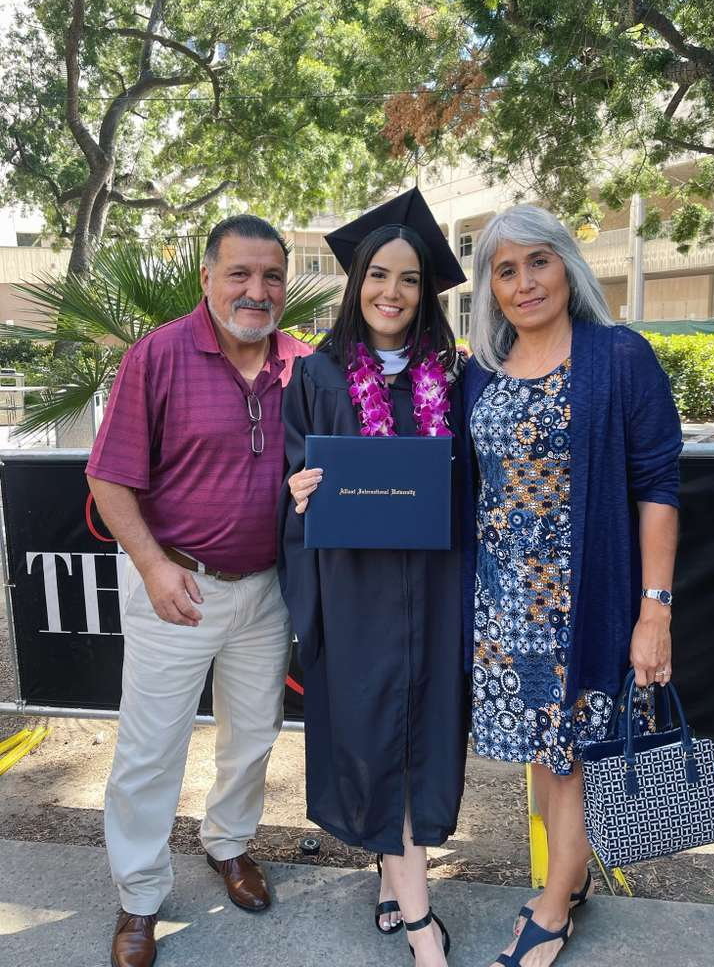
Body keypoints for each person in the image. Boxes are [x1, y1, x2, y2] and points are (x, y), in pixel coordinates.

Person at [86, 214, 311, 967]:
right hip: (176, 585)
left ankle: (229, 845)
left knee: (251, 739)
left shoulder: (305, 366)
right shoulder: (159, 356)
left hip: (267, 589)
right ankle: (140, 896)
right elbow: (108, 478)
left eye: (272, 276)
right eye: (240, 274)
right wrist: (152, 566)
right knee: (151, 753)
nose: (257, 290)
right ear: (208, 278)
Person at [462, 205, 682, 967]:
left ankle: (553, 907)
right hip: (505, 606)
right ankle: (569, 875)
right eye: (505, 270)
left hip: (586, 598)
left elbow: (657, 484)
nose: (524, 284)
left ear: (567, 266)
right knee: (545, 753)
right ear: (491, 288)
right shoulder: (480, 373)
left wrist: (655, 611)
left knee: (581, 750)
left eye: (537, 263)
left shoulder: (617, 356)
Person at [279, 189, 468, 967]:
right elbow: (294, 475)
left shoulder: (452, 377)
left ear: (427, 293)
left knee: (423, 737)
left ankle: (395, 881)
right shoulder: (318, 375)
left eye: (410, 279)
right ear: (356, 284)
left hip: (434, 587)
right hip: (355, 592)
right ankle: (421, 919)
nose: (392, 292)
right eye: (377, 276)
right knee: (368, 731)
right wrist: (297, 491)